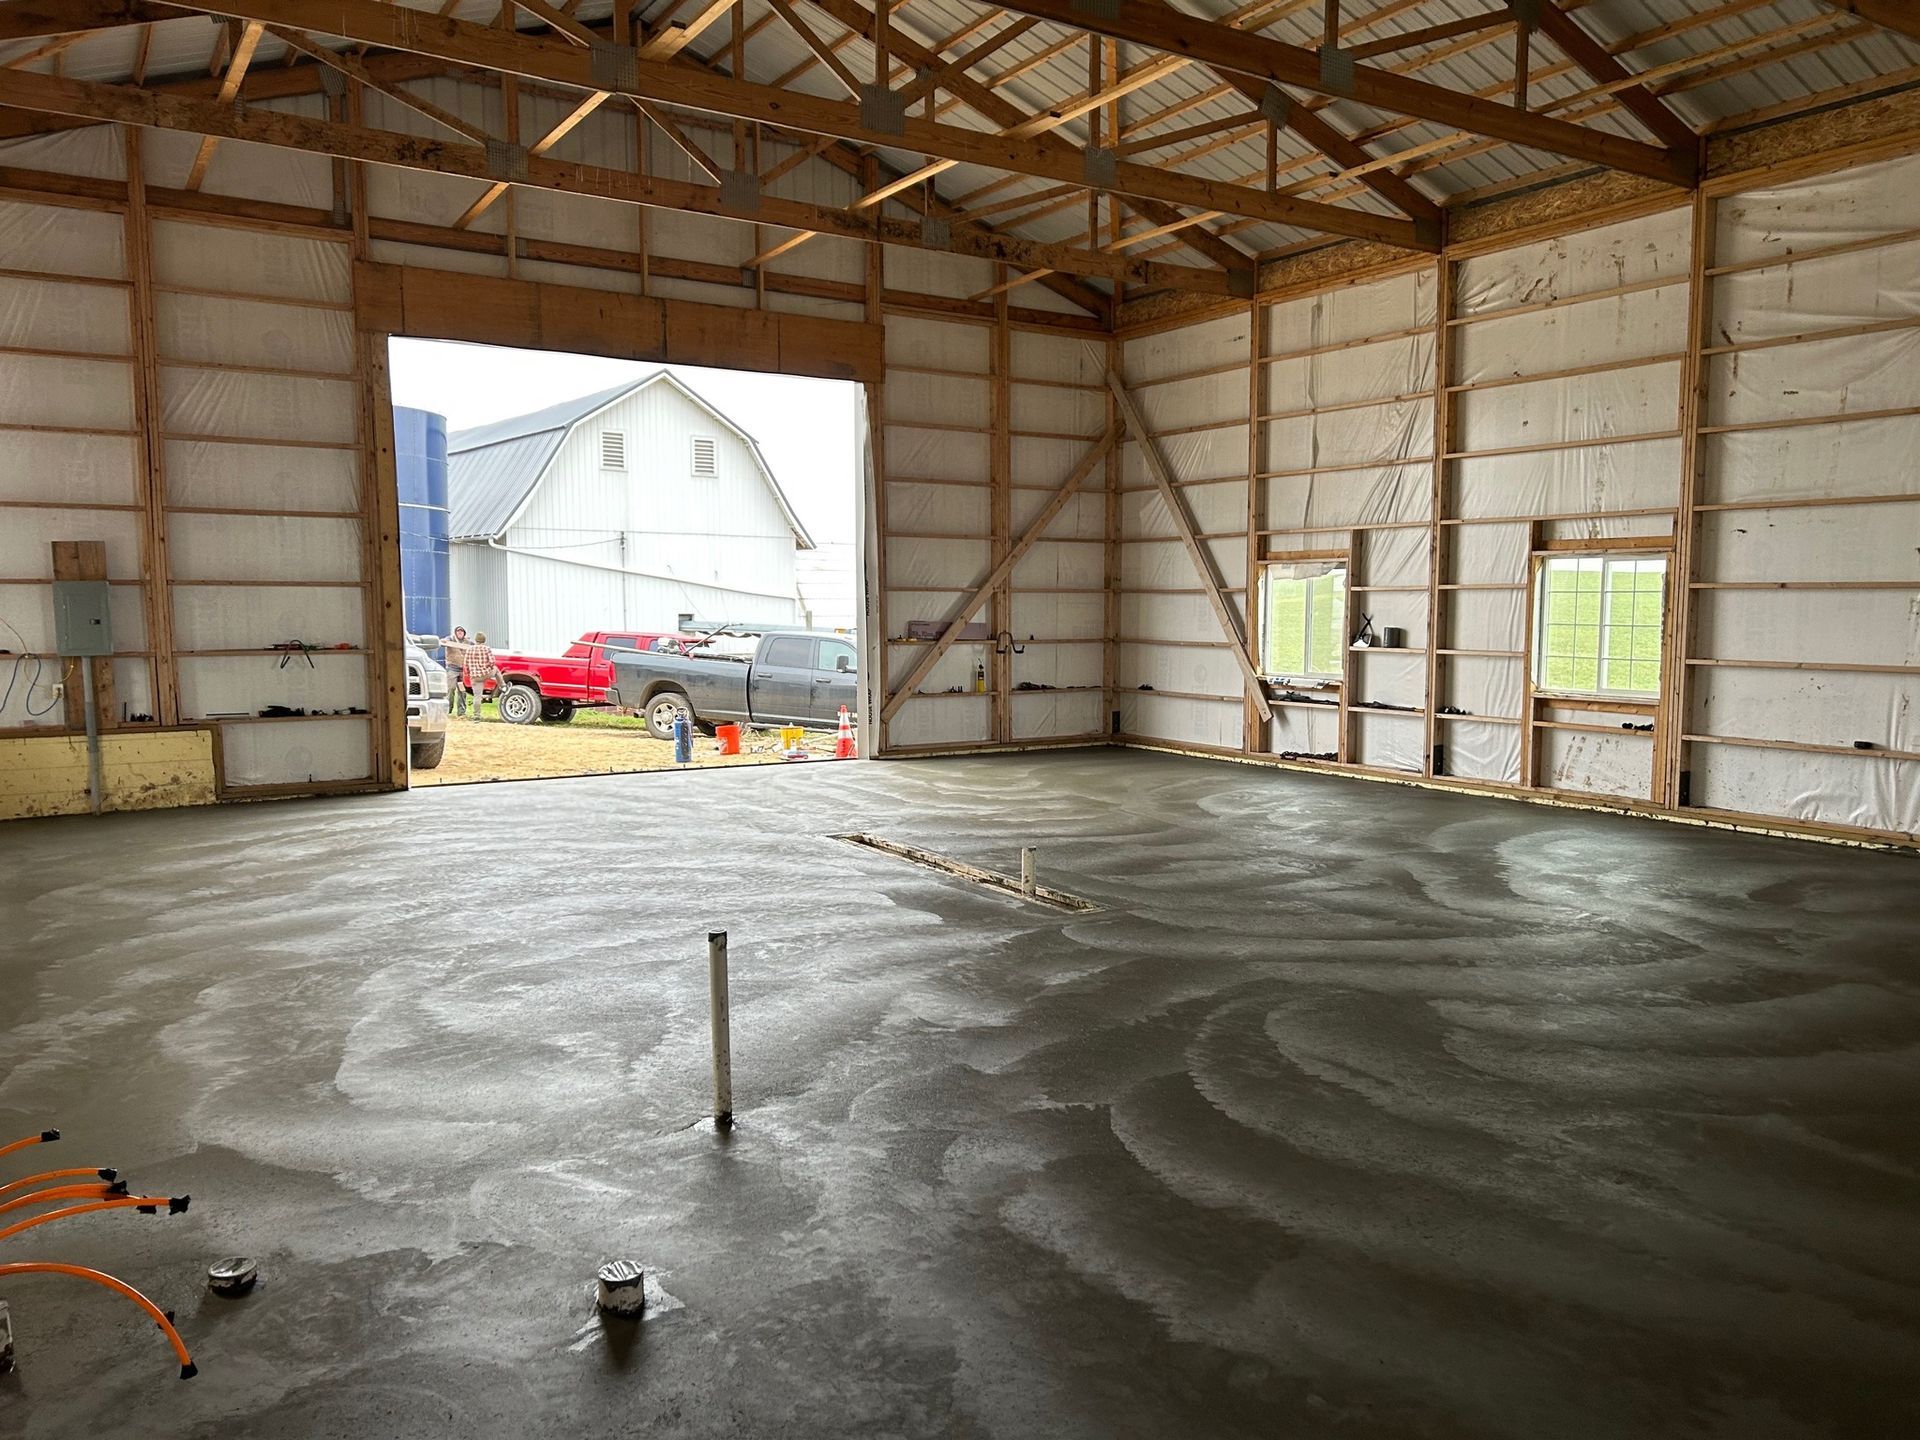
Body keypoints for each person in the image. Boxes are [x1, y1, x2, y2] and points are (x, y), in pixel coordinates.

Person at [464, 631, 498, 717]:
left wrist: (469, 674)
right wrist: (488, 668)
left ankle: (476, 716)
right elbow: (492, 662)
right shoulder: (487, 649)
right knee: (496, 669)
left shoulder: (469, 649)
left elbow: (466, 664)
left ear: (476, 640)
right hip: (485, 674)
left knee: (477, 697)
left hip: (474, 677)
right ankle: (503, 686)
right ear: (484, 640)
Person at [443, 626, 471, 718]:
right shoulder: (450, 638)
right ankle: (447, 710)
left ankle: (461, 712)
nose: (460, 633)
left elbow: (476, 646)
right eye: (458, 631)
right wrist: (444, 641)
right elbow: (443, 642)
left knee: (462, 691)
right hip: (452, 669)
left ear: (464, 633)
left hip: (462, 671)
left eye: (461, 631)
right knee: (451, 689)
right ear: (455, 633)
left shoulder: (468, 642)